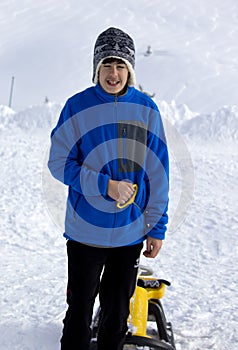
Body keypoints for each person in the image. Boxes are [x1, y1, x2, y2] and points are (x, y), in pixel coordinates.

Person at [48, 27, 169, 350]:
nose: (113, 74)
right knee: (79, 311)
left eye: (120, 66)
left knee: (117, 314)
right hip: (85, 232)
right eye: (106, 65)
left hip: (130, 234)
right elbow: (59, 163)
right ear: (96, 68)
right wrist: (106, 186)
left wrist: (157, 227)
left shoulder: (147, 110)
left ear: (129, 70)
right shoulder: (77, 107)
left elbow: (158, 173)